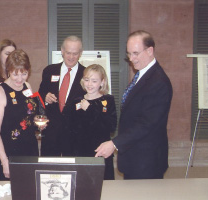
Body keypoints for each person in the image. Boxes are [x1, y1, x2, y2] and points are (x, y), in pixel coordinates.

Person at [95, 30, 173, 180]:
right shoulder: (142, 74)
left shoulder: (158, 82)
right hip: (135, 155)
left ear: (150, 50)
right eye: (129, 54)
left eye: (136, 53)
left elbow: (146, 124)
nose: (131, 59)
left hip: (146, 159)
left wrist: (114, 144)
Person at [0, 49, 42, 179]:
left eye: (24, 74)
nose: (20, 79)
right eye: (15, 74)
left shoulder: (27, 86)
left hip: (30, 147)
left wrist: (37, 122)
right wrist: (4, 161)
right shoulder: (0, 93)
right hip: (9, 150)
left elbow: (28, 113)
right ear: (8, 71)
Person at [39, 35, 86, 156]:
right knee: (49, 170)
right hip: (51, 132)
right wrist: (45, 96)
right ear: (62, 51)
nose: (71, 57)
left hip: (75, 134)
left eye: (75, 53)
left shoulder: (86, 74)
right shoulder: (49, 71)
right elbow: (40, 93)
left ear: (80, 53)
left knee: (72, 171)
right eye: (68, 53)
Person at [70, 64, 117, 180]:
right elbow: (71, 128)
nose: (89, 84)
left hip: (100, 150)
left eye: (94, 81)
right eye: (87, 80)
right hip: (81, 151)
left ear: (102, 82)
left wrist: (90, 109)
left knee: (103, 185)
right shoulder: (76, 101)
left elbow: (110, 126)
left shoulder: (108, 100)